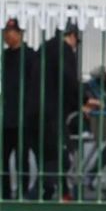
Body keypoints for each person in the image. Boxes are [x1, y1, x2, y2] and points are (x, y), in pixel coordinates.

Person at [40, 21, 83, 200]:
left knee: (49, 153)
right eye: (76, 42)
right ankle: (47, 192)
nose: (75, 47)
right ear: (72, 36)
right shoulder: (64, 51)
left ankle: (60, 192)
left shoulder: (45, 49)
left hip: (35, 110)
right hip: (53, 111)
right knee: (63, 153)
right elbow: (69, 80)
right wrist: (83, 101)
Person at [1, 17, 39, 200]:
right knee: (3, 158)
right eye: (5, 32)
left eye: (11, 32)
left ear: (20, 34)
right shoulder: (5, 56)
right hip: (7, 117)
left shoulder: (30, 56)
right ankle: (5, 193)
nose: (7, 36)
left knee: (21, 159)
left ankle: (23, 193)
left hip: (24, 117)